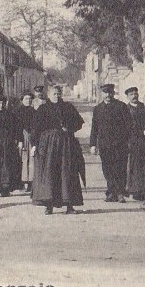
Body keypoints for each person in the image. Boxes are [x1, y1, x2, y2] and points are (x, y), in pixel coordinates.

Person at [31, 85, 85, 215]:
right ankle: (48, 205)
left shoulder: (68, 107)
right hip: (48, 146)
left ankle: (69, 205)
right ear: (49, 95)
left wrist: (69, 128)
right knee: (50, 173)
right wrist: (35, 145)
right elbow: (36, 128)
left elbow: (79, 122)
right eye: (54, 94)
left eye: (58, 93)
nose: (56, 96)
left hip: (66, 145)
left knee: (67, 172)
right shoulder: (43, 109)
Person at [89, 83, 132, 202]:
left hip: (120, 143)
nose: (108, 95)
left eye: (110, 92)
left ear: (113, 93)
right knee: (107, 169)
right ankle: (111, 192)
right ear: (102, 94)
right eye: (105, 93)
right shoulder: (98, 109)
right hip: (104, 144)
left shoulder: (121, 106)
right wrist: (93, 144)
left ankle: (120, 193)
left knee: (120, 168)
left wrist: (128, 141)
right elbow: (94, 128)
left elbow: (129, 125)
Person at [16, 92, 36, 190]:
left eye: (30, 99)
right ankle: (23, 181)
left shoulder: (34, 111)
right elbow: (16, 127)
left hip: (32, 136)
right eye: (26, 99)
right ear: (22, 100)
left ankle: (31, 181)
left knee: (32, 159)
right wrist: (19, 140)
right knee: (23, 159)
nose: (28, 100)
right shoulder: (18, 112)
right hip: (22, 136)